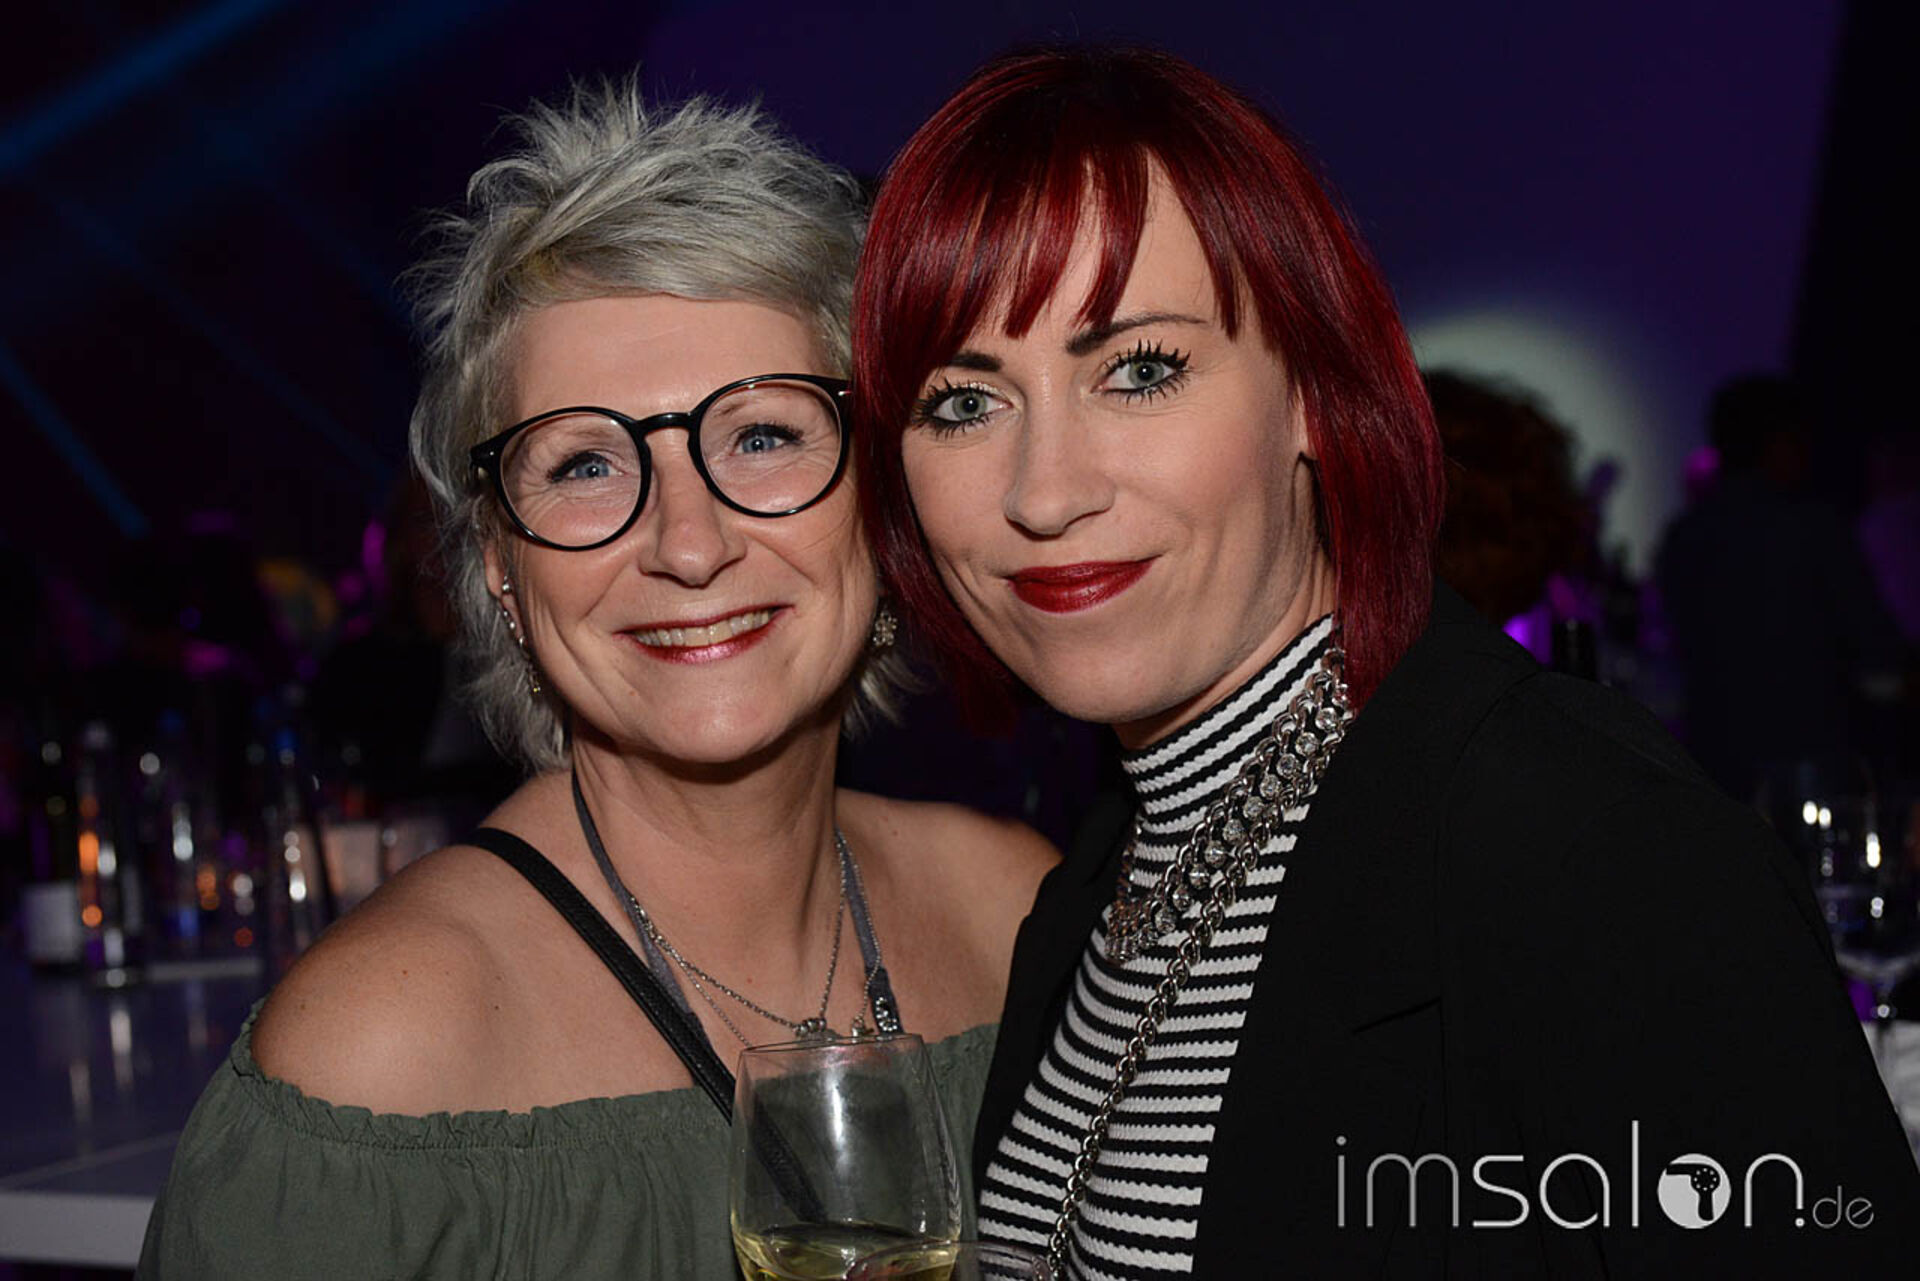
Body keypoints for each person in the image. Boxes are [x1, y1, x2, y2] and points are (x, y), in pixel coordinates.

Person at [852, 46, 1920, 1278]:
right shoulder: (1094, 889)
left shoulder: (1589, 854)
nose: (1044, 493)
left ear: (1314, 393)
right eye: (963, 403)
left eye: (1139, 372)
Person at [137, 83, 1055, 1279]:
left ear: (880, 498)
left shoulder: (1019, 917)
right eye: (584, 465)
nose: (688, 544)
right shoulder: (383, 1049)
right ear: (499, 568)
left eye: (763, 437)